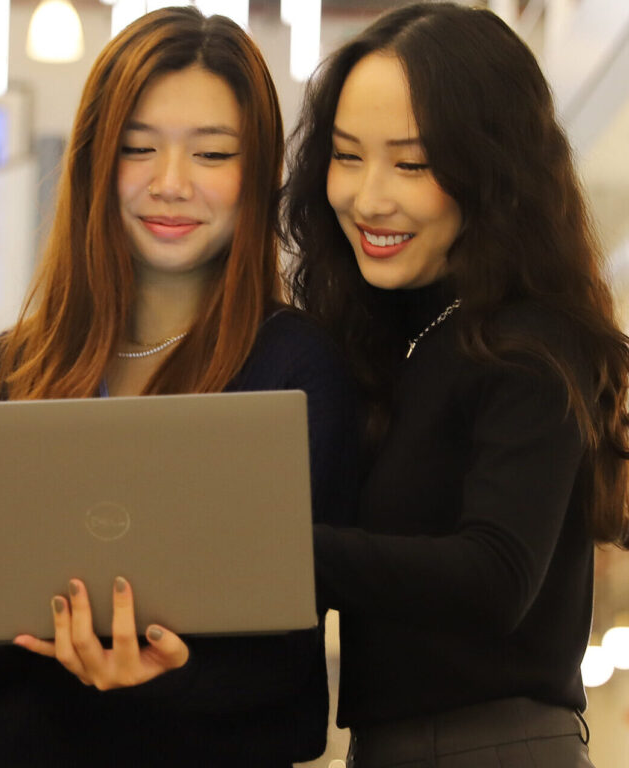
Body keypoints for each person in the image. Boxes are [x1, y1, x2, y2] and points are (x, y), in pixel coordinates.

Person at [0, 6, 356, 767]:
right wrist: (51, 633)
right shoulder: (7, 372)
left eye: (212, 154)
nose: (171, 185)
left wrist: (163, 672)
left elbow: (288, 662)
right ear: (96, 162)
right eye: (139, 148)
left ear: (260, 173)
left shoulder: (297, 373)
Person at [282, 3, 629, 766]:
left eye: (412, 164)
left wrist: (270, 545)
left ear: (493, 169)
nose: (370, 198)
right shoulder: (388, 345)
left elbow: (495, 575)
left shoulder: (530, 341)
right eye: (346, 156)